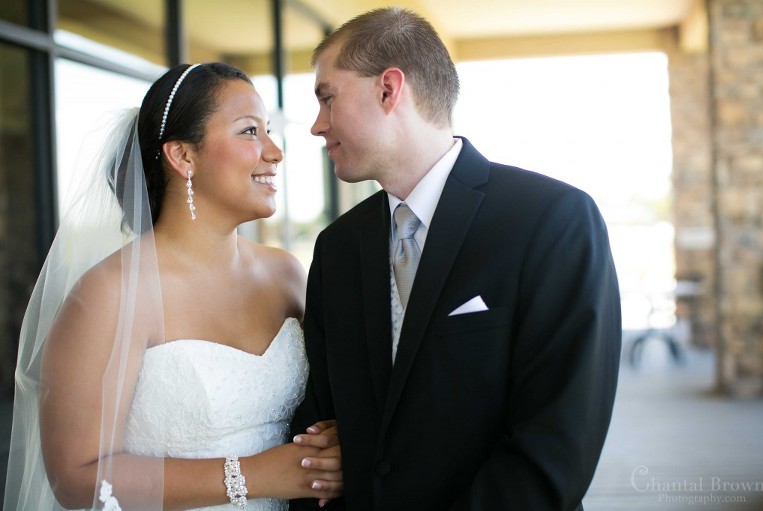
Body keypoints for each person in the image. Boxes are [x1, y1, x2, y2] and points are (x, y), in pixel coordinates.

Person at [290, 7, 621, 511]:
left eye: (327, 98)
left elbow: (556, 447)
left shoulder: (552, 220)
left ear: (388, 89)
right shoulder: (336, 248)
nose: (317, 125)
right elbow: (320, 427)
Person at [4, 62, 342, 511]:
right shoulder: (110, 294)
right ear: (183, 156)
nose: (274, 152)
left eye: (268, 131)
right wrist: (255, 475)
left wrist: (331, 444)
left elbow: (320, 404)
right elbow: (75, 477)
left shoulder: (287, 275)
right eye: (249, 132)